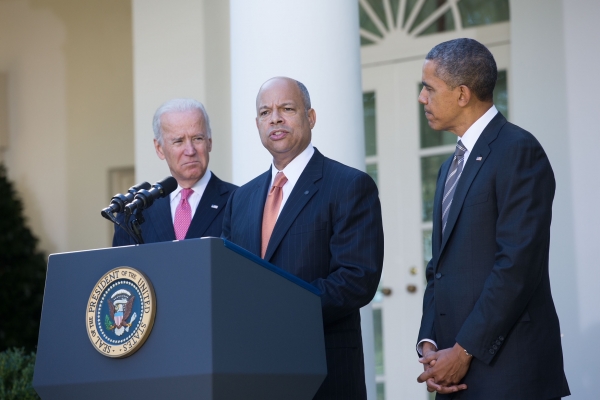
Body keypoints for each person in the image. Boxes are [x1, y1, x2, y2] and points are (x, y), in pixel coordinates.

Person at [415, 38, 570, 399]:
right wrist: (430, 345)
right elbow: (438, 268)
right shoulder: (448, 167)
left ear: (462, 94)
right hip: (453, 375)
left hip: (509, 375)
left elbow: (516, 266)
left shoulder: (518, 150)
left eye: (429, 88)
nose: (422, 98)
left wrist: (463, 350)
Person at [222, 77, 384, 399]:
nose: (275, 119)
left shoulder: (349, 185)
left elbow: (356, 279)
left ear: (310, 117)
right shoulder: (240, 199)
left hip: (324, 371)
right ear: (257, 124)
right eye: (265, 112)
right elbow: (229, 281)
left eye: (287, 108)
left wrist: (278, 311)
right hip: (253, 374)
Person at [113, 98, 237, 246]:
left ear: (209, 142)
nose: (190, 151)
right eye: (178, 141)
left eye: (197, 138)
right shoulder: (136, 210)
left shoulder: (239, 202)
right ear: (159, 148)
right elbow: (122, 268)